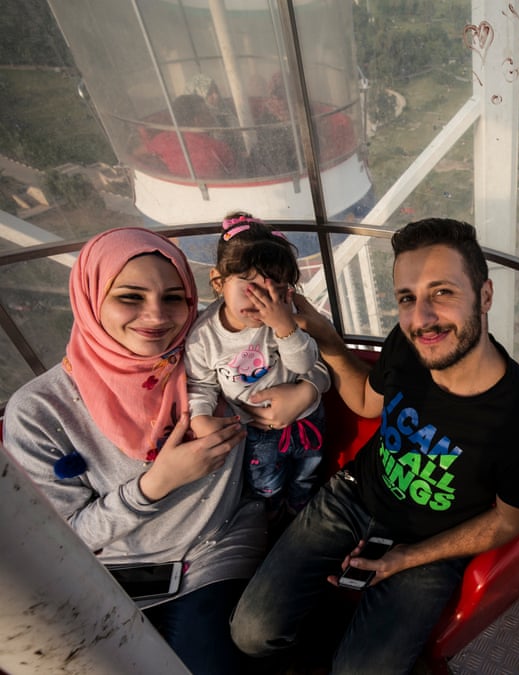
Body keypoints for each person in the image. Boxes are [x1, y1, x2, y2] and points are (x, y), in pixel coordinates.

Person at [231, 218, 519, 673]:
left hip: (432, 542)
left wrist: (408, 557)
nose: (421, 319)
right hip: (354, 495)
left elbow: (508, 521)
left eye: (442, 293)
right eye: (408, 299)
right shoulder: (409, 347)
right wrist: (325, 337)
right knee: (251, 634)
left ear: (484, 296)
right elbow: (367, 402)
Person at [2, 227, 322, 674]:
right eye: (130, 297)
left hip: (214, 548)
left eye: (174, 298)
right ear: (91, 297)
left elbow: (302, 355)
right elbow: (63, 537)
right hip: (109, 572)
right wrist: (156, 484)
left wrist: (308, 392)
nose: (155, 316)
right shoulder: (40, 411)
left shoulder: (212, 363)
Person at [186, 212, 330, 518]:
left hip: (306, 417)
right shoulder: (203, 337)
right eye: (249, 285)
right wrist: (199, 417)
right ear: (218, 281)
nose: (261, 298)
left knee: (307, 473)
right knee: (266, 484)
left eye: (273, 287)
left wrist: (284, 327)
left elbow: (307, 364)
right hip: (255, 428)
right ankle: (274, 516)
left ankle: (299, 511)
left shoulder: (283, 316)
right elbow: (201, 384)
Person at [148, 94, 236, 179]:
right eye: (207, 113)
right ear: (197, 121)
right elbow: (236, 177)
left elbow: (139, 155)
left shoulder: (161, 140)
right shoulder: (218, 148)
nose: (211, 116)